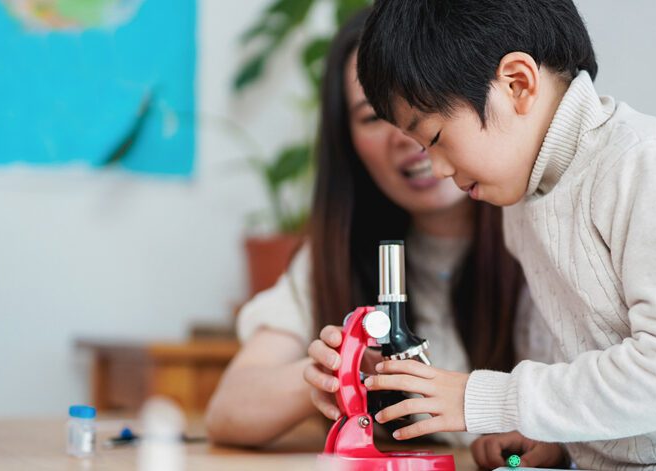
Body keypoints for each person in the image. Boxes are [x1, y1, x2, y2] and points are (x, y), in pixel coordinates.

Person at [354, 0, 656, 469]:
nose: (435, 167)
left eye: (434, 137)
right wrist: (554, 437)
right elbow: (595, 381)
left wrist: (487, 398)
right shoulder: (524, 200)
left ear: (517, 83)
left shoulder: (653, 166)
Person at [205, 9, 566, 468]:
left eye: (424, 109)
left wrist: (558, 441)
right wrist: (333, 372)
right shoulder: (337, 251)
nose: (409, 136)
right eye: (376, 116)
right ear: (347, 142)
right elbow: (228, 411)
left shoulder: (550, 226)